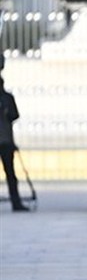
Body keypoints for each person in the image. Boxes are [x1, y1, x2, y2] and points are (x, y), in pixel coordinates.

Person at [0, 76, 29, 212]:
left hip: (6, 140)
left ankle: (16, 201)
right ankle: (16, 202)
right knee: (10, 174)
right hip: (6, 140)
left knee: (10, 173)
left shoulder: (7, 98)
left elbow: (15, 115)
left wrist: (6, 112)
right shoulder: (7, 98)